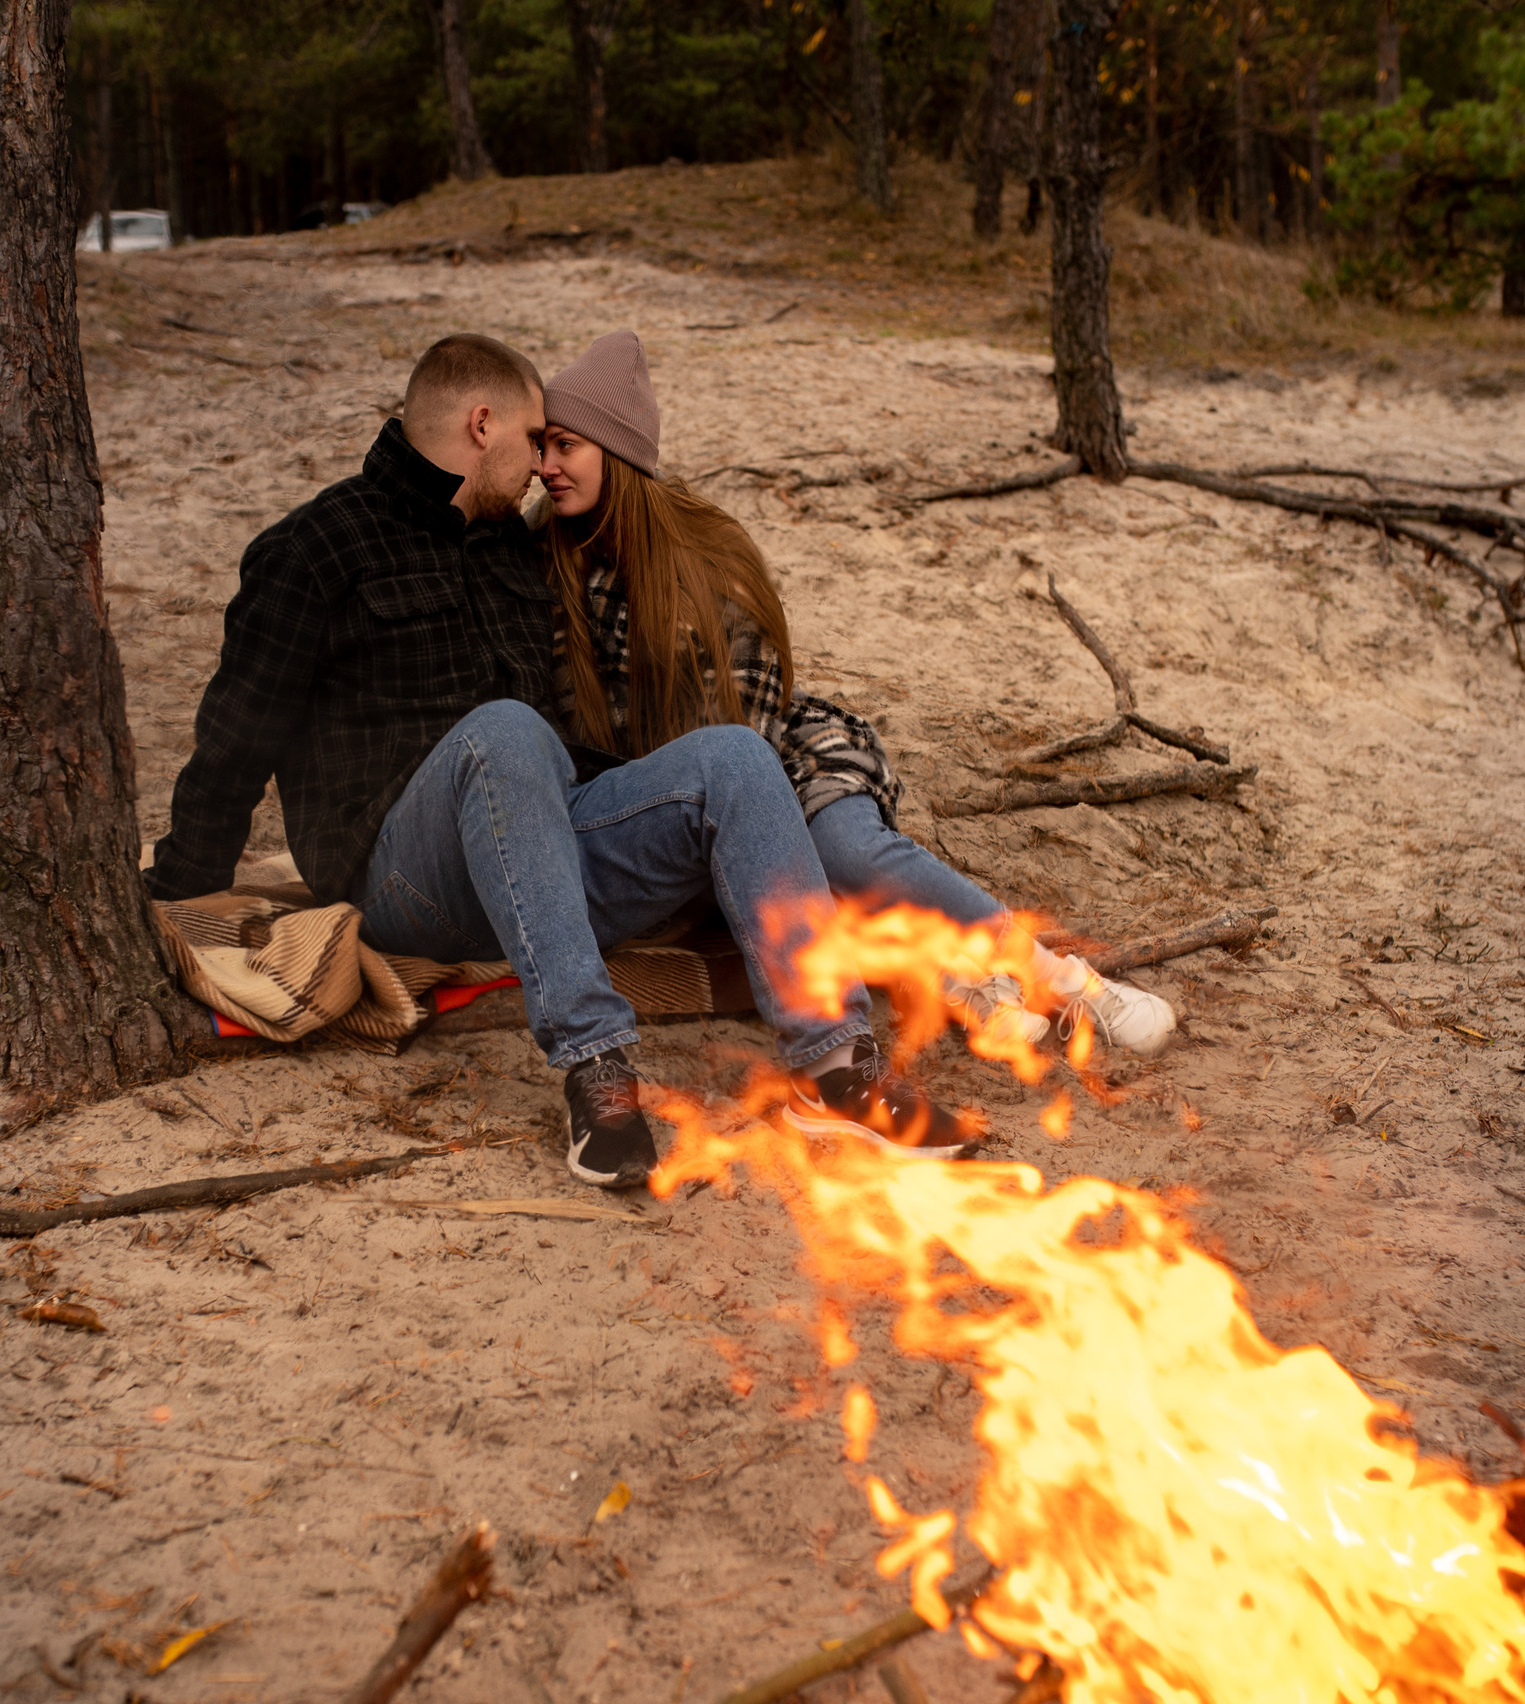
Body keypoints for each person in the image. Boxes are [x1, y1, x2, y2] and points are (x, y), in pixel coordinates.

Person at [145, 333, 973, 1191]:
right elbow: (235, 737)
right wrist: (181, 884)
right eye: (535, 439)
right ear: (482, 425)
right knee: (503, 730)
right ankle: (597, 1066)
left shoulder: (512, 544)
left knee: (732, 756)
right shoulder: (314, 550)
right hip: (407, 882)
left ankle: (835, 1067)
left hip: (545, 850)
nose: (542, 467)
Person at [535, 331, 1178, 1057]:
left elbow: (746, 733)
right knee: (755, 886)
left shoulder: (706, 558)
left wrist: (724, 819)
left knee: (842, 849)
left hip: (775, 755)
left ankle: (1062, 976)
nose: (546, 466)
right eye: (542, 447)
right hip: (663, 803)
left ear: (617, 451)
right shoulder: (541, 558)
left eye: (566, 446)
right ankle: (940, 972)